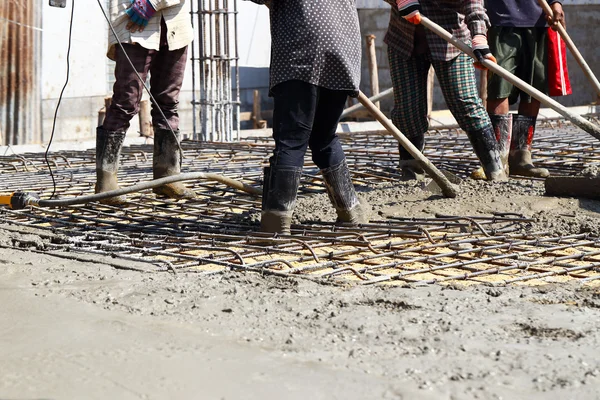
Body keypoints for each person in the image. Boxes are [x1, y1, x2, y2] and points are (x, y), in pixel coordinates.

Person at [248, 0, 367, 235]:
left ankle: (276, 222)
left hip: (301, 52)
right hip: (343, 51)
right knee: (324, 136)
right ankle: (350, 211)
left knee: (292, 139)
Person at [385, 0, 507, 181]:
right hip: (404, 38)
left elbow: (474, 3)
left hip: (450, 39)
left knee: (465, 103)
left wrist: (479, 36)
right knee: (407, 110)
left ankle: (495, 170)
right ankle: (411, 173)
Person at [96, 0, 195, 204]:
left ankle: (167, 175)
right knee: (125, 102)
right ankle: (106, 182)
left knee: (167, 102)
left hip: (174, 27)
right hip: (134, 24)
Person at [486, 0, 566, 178]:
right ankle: (497, 159)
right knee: (499, 87)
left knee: (533, 88)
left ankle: (521, 157)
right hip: (501, 19)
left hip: (538, 19)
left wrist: (556, 2)